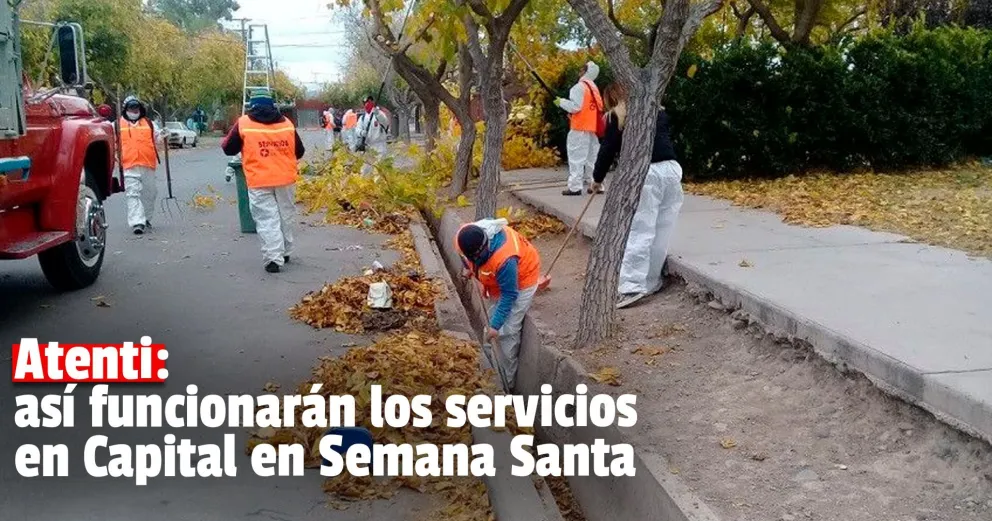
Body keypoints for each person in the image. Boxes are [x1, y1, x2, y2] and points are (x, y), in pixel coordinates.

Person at [591, 83, 684, 309]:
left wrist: (597, 179)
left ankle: (632, 286)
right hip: (671, 170)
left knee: (640, 229)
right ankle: (651, 281)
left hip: (646, 173)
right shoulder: (657, 111)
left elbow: (607, 149)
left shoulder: (617, 116)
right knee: (662, 229)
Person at [221, 89, 306, 273]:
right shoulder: (286, 123)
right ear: (272, 104)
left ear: (252, 105)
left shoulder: (244, 123)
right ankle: (286, 251)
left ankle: (273, 258)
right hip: (285, 178)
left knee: (267, 218)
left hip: (259, 179)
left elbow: (228, 148)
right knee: (286, 214)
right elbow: (299, 151)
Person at [455, 218, 541, 389]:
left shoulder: (505, 260)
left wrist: (495, 325)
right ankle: (489, 365)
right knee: (494, 326)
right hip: (497, 280)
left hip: (522, 279)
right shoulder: (462, 237)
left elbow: (509, 295)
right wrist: (468, 268)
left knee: (507, 331)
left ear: (486, 245)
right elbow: (464, 257)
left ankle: (505, 384)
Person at [119, 95, 165, 235]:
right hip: (129, 165)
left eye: (136, 107)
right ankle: (137, 222)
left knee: (150, 193)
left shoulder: (149, 123)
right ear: (125, 109)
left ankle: (146, 218)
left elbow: (157, 138)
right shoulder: (117, 125)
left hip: (148, 164)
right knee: (133, 193)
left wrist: (163, 135)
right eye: (131, 108)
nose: (134, 110)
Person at [554, 61, 602, 196]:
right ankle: (596, 184)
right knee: (593, 158)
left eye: (581, 69)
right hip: (592, 128)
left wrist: (561, 102)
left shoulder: (579, 87)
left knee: (576, 158)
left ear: (584, 71)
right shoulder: (594, 88)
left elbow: (575, 107)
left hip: (579, 128)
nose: (579, 71)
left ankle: (575, 187)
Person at [356, 95, 389, 175]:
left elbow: (385, 123)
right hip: (368, 147)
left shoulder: (379, 114)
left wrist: (378, 114)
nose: (367, 104)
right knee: (365, 171)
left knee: (378, 171)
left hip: (379, 146)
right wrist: (361, 132)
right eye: (366, 102)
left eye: (369, 102)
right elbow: (357, 130)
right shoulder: (362, 118)